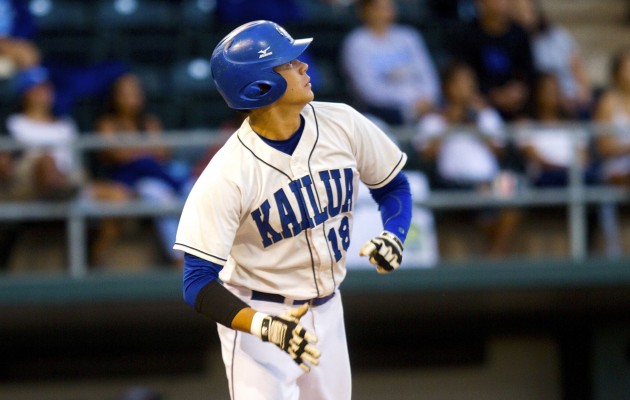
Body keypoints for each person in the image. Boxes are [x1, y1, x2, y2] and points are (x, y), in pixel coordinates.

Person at [174, 20, 412, 399]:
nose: (303, 66)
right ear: (259, 86)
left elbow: (392, 185)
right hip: (259, 319)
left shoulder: (342, 122)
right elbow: (196, 283)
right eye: (287, 63)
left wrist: (395, 233)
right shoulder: (227, 174)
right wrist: (265, 326)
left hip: (330, 309)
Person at [414, 61, 519, 258]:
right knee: (484, 202)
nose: (466, 88)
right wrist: (449, 124)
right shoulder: (434, 119)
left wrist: (477, 125)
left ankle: (494, 254)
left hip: (490, 181)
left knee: (515, 189)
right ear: (447, 87)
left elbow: (501, 151)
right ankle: (494, 255)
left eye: (469, 82)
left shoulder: (485, 115)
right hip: (454, 183)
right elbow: (426, 156)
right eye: (460, 83)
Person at [95, 73, 190, 267]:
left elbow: (162, 152)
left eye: (135, 92)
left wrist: (136, 150)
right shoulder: (107, 123)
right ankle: (179, 258)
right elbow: (117, 154)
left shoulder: (150, 121)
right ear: (115, 97)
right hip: (129, 180)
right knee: (158, 196)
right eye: (125, 93)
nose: (131, 97)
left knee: (193, 189)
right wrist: (145, 151)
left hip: (159, 173)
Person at [341, 0, 440, 125]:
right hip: (379, 112)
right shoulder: (356, 43)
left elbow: (428, 75)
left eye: (388, 7)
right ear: (364, 11)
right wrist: (409, 103)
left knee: (436, 124)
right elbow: (368, 90)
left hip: (422, 108)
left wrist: (428, 99)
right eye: (379, 8)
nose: (385, 12)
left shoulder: (409, 37)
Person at [453, 0, 536, 121]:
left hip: (518, 106)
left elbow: (528, 72)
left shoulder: (519, 34)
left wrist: (519, 90)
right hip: (480, 105)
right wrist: (492, 96)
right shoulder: (467, 35)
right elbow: (463, 74)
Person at [511, 0, 592, 118]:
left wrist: (583, 91)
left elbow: (576, 64)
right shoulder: (517, 44)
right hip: (541, 102)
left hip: (572, 98)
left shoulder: (557, 35)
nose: (526, 18)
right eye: (519, 13)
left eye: (529, 12)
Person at [515, 73, 593, 187]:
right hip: (545, 176)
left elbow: (583, 156)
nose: (552, 94)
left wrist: (572, 170)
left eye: (556, 89)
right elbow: (534, 157)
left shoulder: (572, 123)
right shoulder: (525, 123)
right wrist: (562, 169)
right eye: (547, 90)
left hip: (574, 175)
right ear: (537, 92)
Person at [593, 46, 630, 186]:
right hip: (616, 166)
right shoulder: (607, 102)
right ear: (616, 74)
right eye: (628, 68)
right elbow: (603, 147)